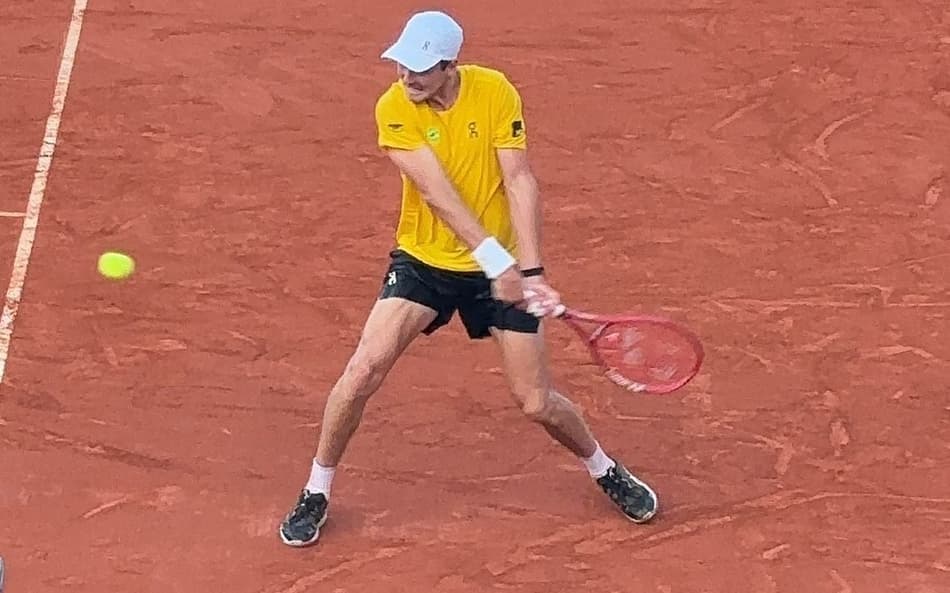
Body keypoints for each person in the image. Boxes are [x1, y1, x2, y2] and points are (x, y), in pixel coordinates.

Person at [279, 10, 658, 548]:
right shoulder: (394, 107)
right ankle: (316, 488)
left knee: (537, 402)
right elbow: (438, 194)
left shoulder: (495, 91)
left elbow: (519, 179)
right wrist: (496, 262)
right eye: (402, 66)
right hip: (426, 262)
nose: (406, 78)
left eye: (419, 70)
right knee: (363, 369)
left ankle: (602, 468)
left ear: (450, 65)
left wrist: (529, 270)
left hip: (500, 268)